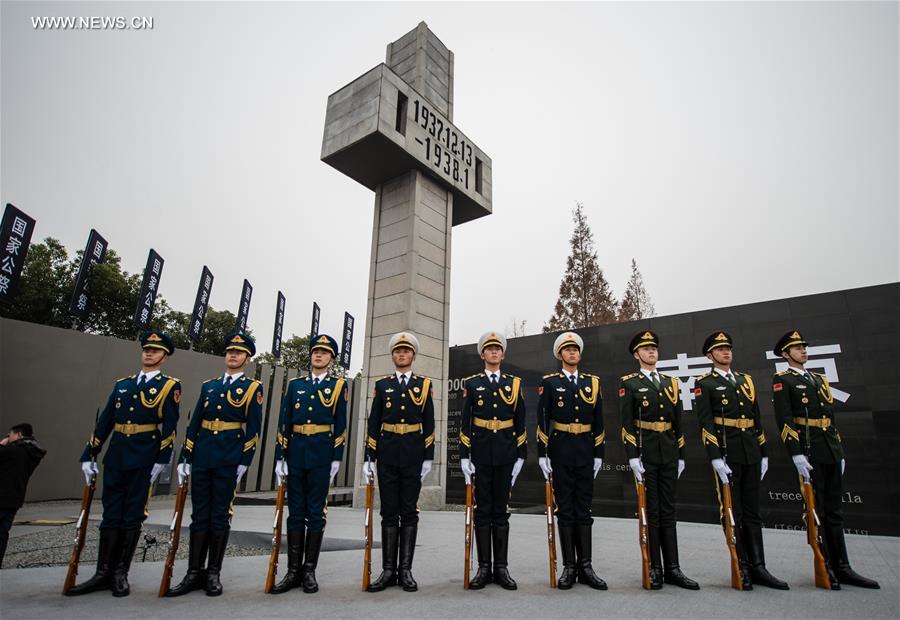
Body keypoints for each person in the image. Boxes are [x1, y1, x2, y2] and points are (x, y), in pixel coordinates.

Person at [66, 330, 180, 597]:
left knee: (132, 515)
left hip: (143, 456)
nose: (149, 353)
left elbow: (170, 426)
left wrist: (161, 460)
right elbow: (105, 421)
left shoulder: (169, 386)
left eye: (155, 350)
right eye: (146, 349)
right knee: (110, 514)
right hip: (117, 455)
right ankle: (102, 571)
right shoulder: (123, 385)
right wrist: (89, 453)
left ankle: (120, 573)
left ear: (164, 357)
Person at [772, 329, 879, 589]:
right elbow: (785, 420)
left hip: (829, 448)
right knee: (815, 511)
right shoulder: (783, 380)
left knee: (835, 511)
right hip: (809, 452)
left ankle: (843, 566)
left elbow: (829, 418)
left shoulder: (819, 380)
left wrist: (838, 450)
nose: (803, 351)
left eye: (804, 347)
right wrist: (796, 453)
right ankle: (825, 564)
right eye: (797, 349)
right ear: (786, 354)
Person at [167, 331, 263, 597]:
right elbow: (195, 422)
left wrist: (245, 461)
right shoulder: (209, 386)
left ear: (247, 359)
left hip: (229, 456)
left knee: (220, 515)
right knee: (199, 515)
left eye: (238, 352)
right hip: (203, 455)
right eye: (230, 351)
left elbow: (254, 428)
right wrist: (187, 456)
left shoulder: (252, 388)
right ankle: (193, 572)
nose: (232, 355)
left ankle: (213, 573)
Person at [694, 331, 788, 590]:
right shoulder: (705, 383)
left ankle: (759, 566)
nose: (726, 352)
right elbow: (705, 424)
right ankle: (741, 565)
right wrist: (715, 458)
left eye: (728, 348)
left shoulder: (745, 380)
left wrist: (764, 452)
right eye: (720, 349)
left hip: (751, 452)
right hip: (728, 452)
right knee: (732, 511)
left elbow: (757, 419)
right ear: (710, 355)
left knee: (753, 512)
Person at [619, 330, 698, 590]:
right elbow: (626, 424)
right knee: (651, 511)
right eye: (646, 348)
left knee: (668, 510)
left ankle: (673, 567)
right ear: (636, 354)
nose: (651, 351)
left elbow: (679, 423)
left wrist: (682, 454)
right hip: (646, 451)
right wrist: (632, 457)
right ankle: (655, 567)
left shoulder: (670, 383)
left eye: (654, 348)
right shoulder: (629, 383)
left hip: (669, 451)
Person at [269, 334, 348, 594]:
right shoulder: (295, 385)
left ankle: (309, 570)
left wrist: (336, 457)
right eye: (315, 351)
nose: (318, 355)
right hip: (296, 452)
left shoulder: (338, 387)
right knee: (295, 512)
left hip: (321, 454)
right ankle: (293, 571)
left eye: (324, 353)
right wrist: (281, 455)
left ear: (331, 359)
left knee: (316, 513)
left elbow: (341, 425)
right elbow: (284, 421)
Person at [363, 332, 435, 593]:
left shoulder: (424, 385)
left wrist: (429, 458)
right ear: (393, 356)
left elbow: (429, 424)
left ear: (413, 356)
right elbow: (373, 423)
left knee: (409, 511)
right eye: (397, 352)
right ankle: (387, 570)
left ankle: (405, 570)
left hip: (414, 454)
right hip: (388, 453)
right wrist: (369, 457)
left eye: (406, 352)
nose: (401, 355)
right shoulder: (383, 386)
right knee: (388, 511)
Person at [536, 331, 607, 590]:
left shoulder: (593, 382)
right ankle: (569, 566)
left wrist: (599, 454)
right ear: (560, 355)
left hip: (586, 449)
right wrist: (542, 454)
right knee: (564, 509)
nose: (572, 353)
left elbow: (599, 421)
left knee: (584, 509)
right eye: (567, 350)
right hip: (561, 449)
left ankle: (586, 566)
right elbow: (542, 420)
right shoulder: (551, 382)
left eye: (575, 349)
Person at [458, 331, 526, 590]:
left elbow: (521, 421)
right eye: (490, 349)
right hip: (482, 455)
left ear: (503, 354)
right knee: (482, 511)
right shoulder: (472, 383)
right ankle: (484, 567)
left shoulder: (514, 383)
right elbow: (465, 423)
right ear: (482, 354)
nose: (494, 352)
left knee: (501, 512)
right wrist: (465, 456)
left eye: (498, 349)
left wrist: (521, 455)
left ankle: (502, 568)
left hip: (506, 453)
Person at [0, 423, 46, 566]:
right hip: (15, 498)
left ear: (19, 434)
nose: (8, 438)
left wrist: (2, 444)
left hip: (1, 496)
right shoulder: (32, 453)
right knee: (2, 533)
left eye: (10, 435)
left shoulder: (13, 450)